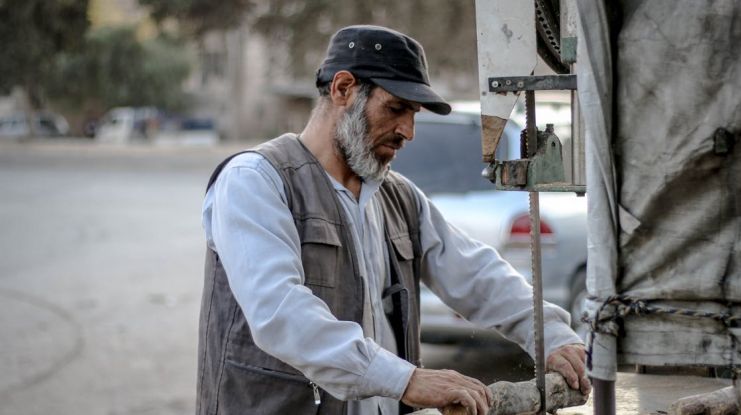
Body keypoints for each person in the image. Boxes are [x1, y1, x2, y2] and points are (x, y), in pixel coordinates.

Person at [197, 25, 590, 415]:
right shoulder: (256, 181)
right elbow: (280, 312)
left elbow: (476, 273)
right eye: (396, 108)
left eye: (413, 114)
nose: (409, 131)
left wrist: (551, 334)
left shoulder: (398, 197)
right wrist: (408, 380)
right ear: (343, 89)